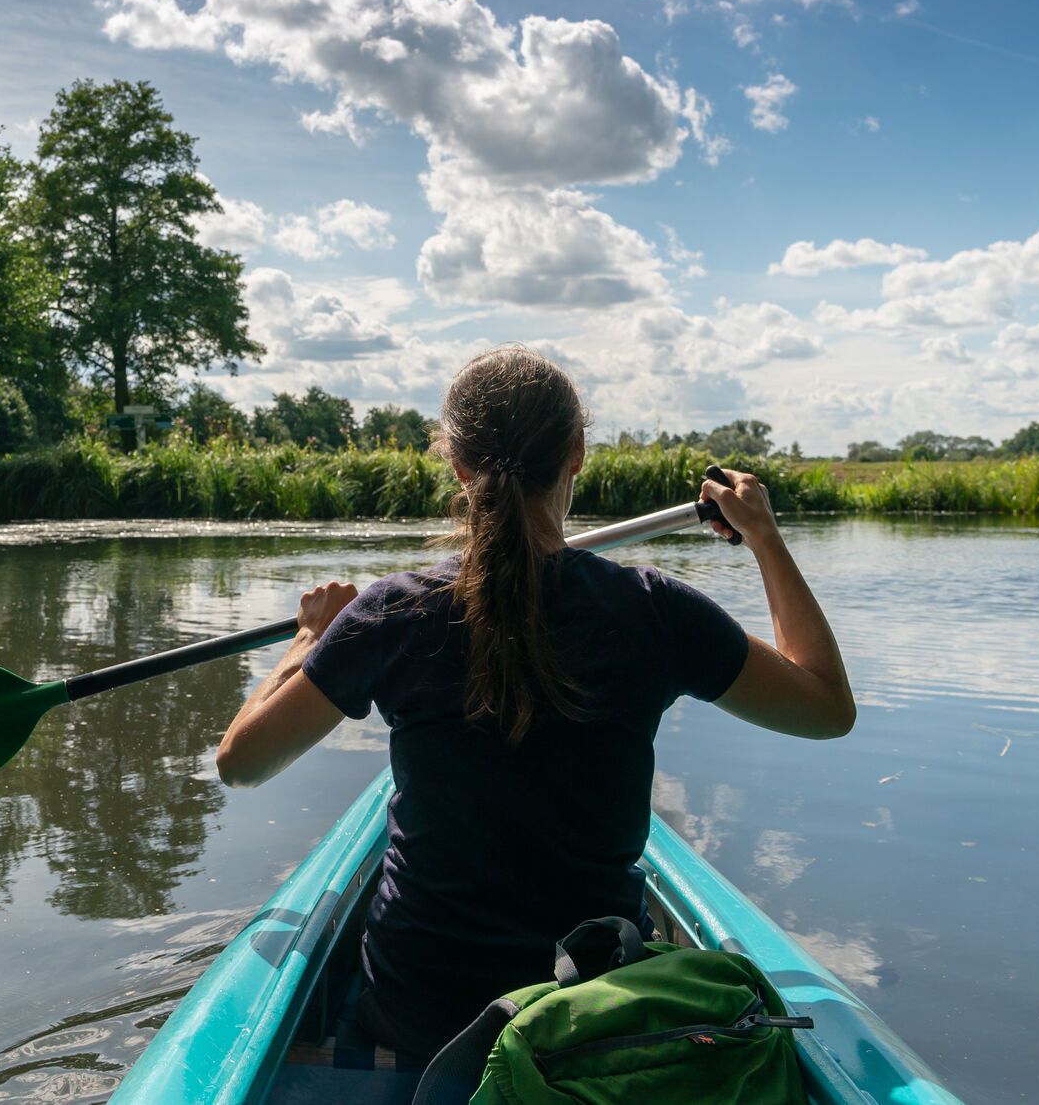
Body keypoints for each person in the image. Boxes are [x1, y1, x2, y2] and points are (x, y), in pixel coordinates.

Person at [214, 346, 853, 1063]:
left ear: (456, 463)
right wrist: (764, 534)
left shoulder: (391, 612)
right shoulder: (655, 610)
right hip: (587, 1018)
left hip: (420, 1018)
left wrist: (306, 638)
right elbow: (827, 706)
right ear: (577, 453)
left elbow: (240, 761)